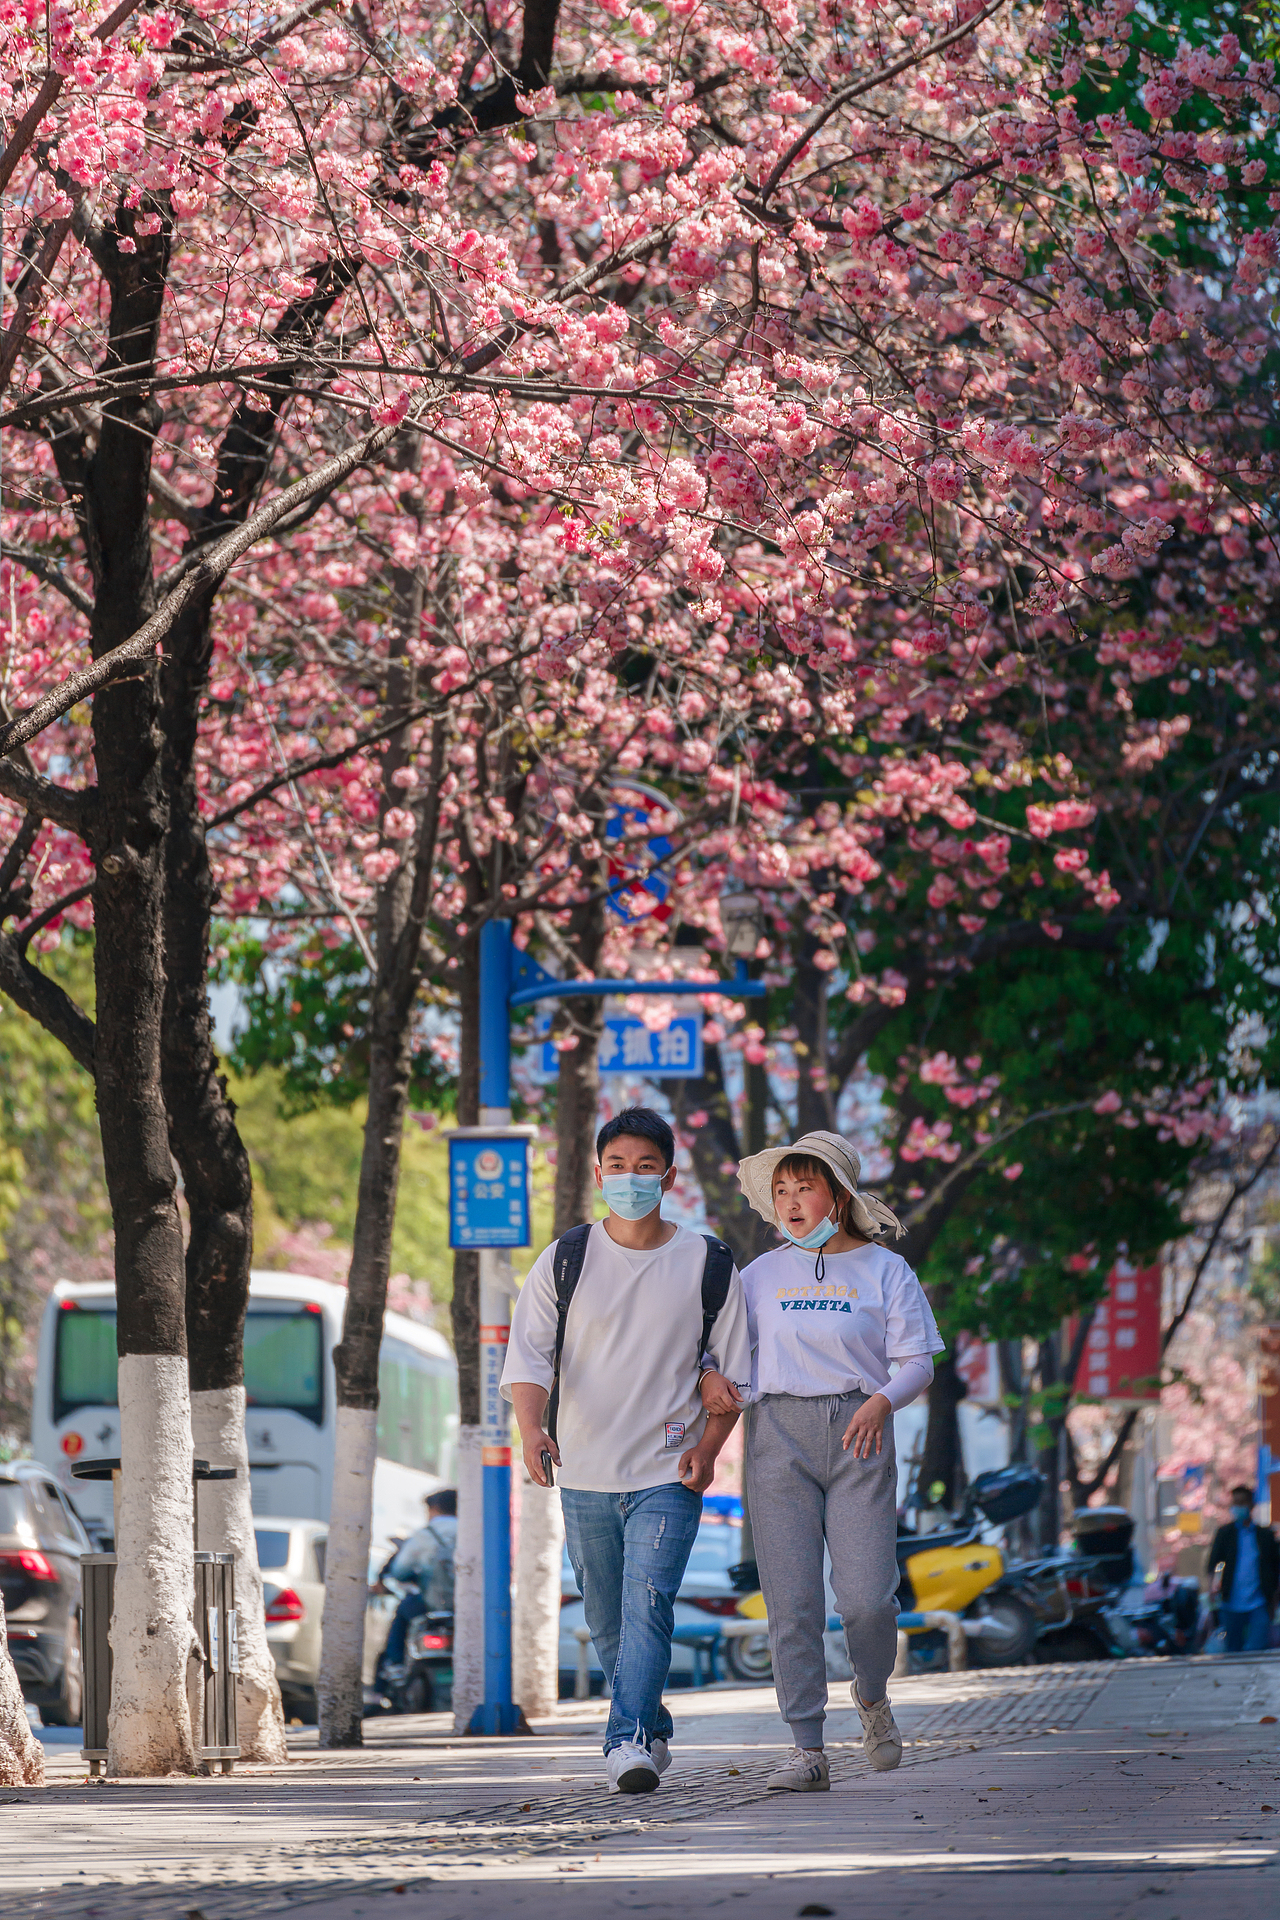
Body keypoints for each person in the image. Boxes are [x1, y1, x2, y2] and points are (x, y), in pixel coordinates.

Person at [502, 1106, 750, 1794]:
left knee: (648, 1605)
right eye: (618, 1166)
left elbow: (735, 1376)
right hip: (584, 1469)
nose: (631, 1179)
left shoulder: (707, 1262)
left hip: (669, 1469)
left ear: (668, 1177)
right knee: (608, 1620)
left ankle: (628, 1741)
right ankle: (651, 1721)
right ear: (598, 1173)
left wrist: (710, 1447)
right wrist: (531, 1429)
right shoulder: (567, 1258)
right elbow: (529, 1356)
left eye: (645, 1167)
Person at [700, 1130, 943, 1792]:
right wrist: (708, 1378)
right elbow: (719, 1354)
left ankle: (872, 1693)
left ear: (838, 1197)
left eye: (804, 1187)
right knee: (793, 1602)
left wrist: (882, 1403)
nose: (789, 1201)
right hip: (777, 1433)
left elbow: (918, 1362)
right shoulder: (759, 1275)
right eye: (781, 1190)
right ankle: (807, 1749)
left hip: (861, 1433)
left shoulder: (886, 1271)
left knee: (867, 1600)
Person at [377, 1488, 457, 1678]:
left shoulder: (426, 1534)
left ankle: (395, 1665)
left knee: (403, 1610)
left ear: (434, 1509)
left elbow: (399, 1571)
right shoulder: (476, 1532)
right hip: (471, 1608)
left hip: (433, 1605)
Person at [1207, 1486, 1279, 1654]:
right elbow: (1213, 1563)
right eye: (1235, 1503)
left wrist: (1275, 1598)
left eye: (1242, 1503)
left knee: (1257, 1648)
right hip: (1231, 1601)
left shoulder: (1265, 1536)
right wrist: (1212, 1586)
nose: (1238, 1507)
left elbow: (1275, 1567)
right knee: (1233, 1650)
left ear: (1251, 1505)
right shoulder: (1225, 1533)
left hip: (1259, 1601)